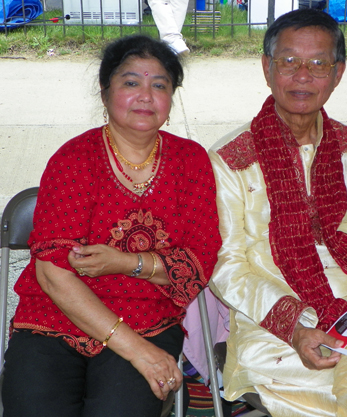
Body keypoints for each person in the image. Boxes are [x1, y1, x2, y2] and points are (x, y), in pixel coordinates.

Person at [208, 8, 347, 417]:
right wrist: (294, 328)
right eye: (289, 61)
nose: (303, 76)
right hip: (275, 320)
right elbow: (227, 265)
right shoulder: (230, 159)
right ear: (267, 67)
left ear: (338, 73)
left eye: (318, 64)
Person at [2, 34, 221, 417]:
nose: (146, 95)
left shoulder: (191, 161)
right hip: (53, 320)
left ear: (172, 97)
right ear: (105, 94)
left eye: (160, 85)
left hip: (150, 320)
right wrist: (140, 353)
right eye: (131, 82)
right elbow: (54, 275)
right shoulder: (73, 160)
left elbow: (199, 262)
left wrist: (126, 263)